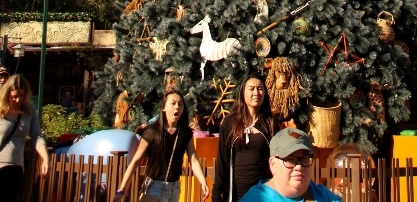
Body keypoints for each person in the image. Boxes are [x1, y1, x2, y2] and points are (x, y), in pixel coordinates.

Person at [115, 90, 209, 201]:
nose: (177, 107)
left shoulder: (185, 132)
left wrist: (203, 182)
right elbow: (136, 160)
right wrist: (122, 189)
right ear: (164, 108)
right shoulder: (152, 131)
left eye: (180, 104)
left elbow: (193, 160)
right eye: (173, 103)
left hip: (175, 187)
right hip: (154, 186)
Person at [213, 74, 279, 202]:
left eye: (260, 88)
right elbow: (222, 160)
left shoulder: (270, 123)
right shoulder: (230, 123)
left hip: (262, 193)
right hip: (236, 192)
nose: (256, 92)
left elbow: (277, 158)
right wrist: (217, 193)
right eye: (251, 88)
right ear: (243, 93)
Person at [239, 127, 340, 202]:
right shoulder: (256, 199)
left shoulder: (322, 195)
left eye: (304, 159)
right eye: (290, 159)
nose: (299, 167)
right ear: (273, 164)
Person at [0, 74, 49, 202]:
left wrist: (45, 158)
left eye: (21, 95)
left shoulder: (29, 110)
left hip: (15, 167)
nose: (18, 100)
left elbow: (36, 135)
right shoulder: (1, 110)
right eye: (14, 96)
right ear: (7, 94)